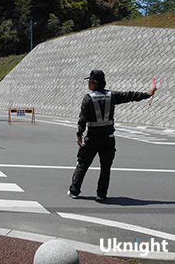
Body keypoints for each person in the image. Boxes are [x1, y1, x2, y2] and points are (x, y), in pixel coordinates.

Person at [67, 70, 157, 201]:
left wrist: (79, 134)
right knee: (105, 167)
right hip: (108, 138)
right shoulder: (112, 96)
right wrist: (147, 94)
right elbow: (130, 95)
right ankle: (101, 194)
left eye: (89, 81)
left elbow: (82, 119)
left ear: (94, 83)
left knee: (82, 164)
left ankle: (74, 190)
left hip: (92, 138)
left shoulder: (88, 98)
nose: (88, 84)